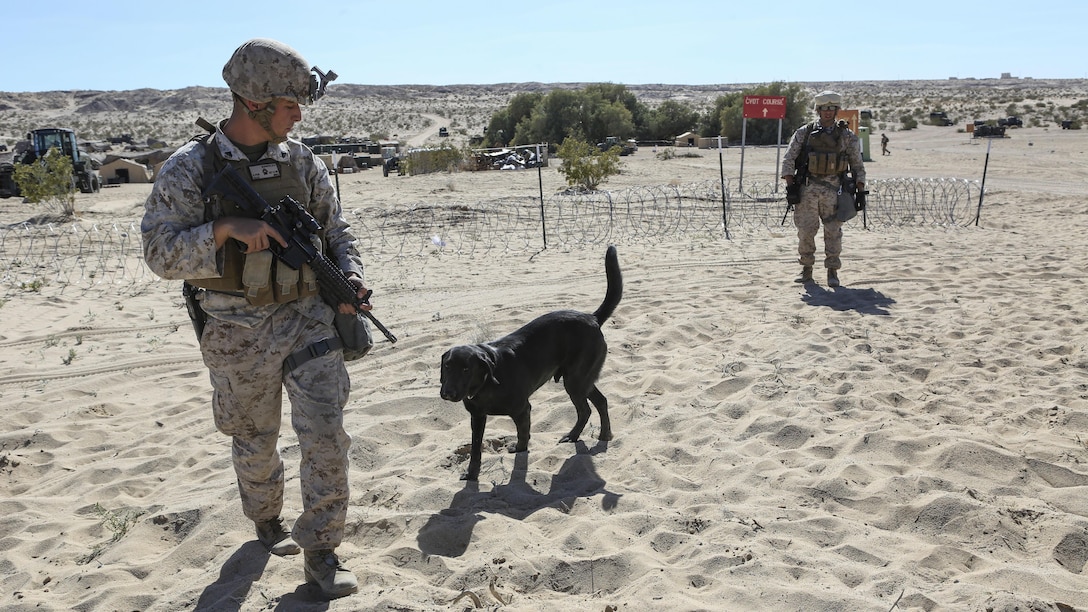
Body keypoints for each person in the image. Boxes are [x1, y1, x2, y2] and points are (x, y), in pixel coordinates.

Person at [141, 38, 366, 599]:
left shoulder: (303, 161)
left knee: (325, 435)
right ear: (254, 104)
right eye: (291, 105)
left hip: (307, 318)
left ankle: (322, 550)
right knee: (253, 438)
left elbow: (336, 230)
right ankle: (265, 519)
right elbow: (159, 253)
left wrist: (350, 276)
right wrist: (223, 232)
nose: (299, 115)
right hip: (234, 330)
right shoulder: (189, 169)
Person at [781, 91, 866, 287]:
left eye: (831, 108)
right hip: (807, 191)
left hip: (835, 192)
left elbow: (857, 166)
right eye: (824, 108)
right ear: (818, 110)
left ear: (836, 110)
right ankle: (806, 268)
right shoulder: (804, 132)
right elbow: (789, 159)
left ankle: (832, 271)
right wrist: (790, 186)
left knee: (833, 231)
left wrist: (860, 191)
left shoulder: (847, 137)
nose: (828, 112)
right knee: (805, 231)